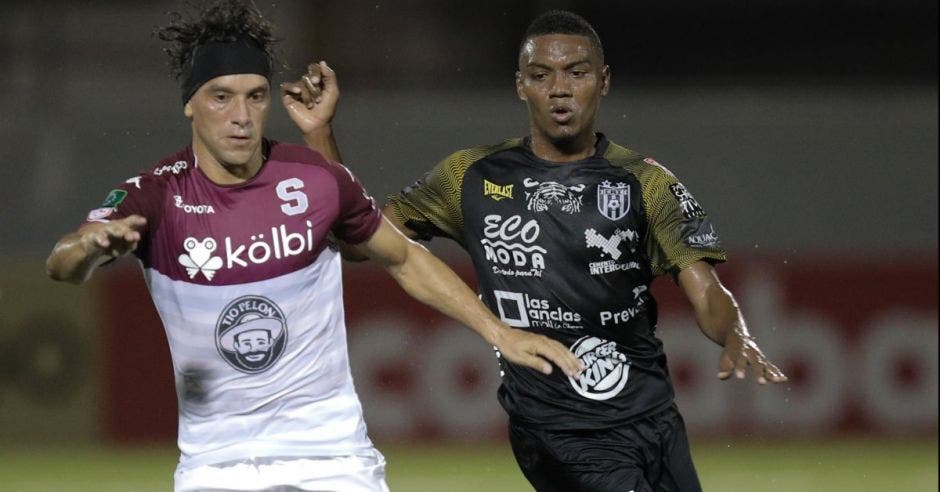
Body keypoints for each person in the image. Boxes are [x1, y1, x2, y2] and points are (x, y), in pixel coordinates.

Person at [44, 2, 583, 491]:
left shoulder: (314, 179)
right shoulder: (158, 194)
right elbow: (64, 264)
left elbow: (404, 257)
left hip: (332, 457)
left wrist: (499, 331)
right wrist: (90, 246)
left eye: (255, 96)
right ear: (191, 105)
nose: (241, 116)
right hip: (217, 464)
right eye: (221, 97)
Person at [293, 9, 788, 492]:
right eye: (541, 74)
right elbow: (357, 242)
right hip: (556, 430)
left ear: (604, 80)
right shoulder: (470, 176)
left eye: (576, 73)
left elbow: (706, 291)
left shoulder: (645, 183)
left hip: (654, 419)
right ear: (520, 85)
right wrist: (319, 133)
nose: (559, 88)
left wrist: (734, 333)